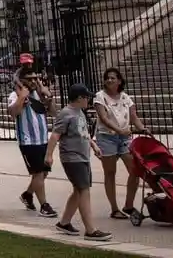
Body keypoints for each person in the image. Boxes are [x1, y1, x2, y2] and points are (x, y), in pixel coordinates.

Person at [46, 84, 112, 241]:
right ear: (80, 98)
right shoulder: (66, 114)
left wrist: (94, 145)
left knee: (78, 190)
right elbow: (55, 135)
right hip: (72, 157)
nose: (88, 100)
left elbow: (84, 133)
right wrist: (49, 155)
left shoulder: (79, 113)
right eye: (87, 97)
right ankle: (90, 230)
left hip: (83, 156)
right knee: (84, 190)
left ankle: (64, 223)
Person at [94, 68, 150, 219]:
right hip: (106, 137)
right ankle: (114, 208)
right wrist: (119, 130)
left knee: (135, 170)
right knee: (110, 172)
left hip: (124, 138)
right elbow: (104, 119)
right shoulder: (100, 97)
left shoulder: (126, 98)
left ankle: (129, 205)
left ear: (119, 81)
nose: (110, 80)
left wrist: (142, 128)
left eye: (113, 78)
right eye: (107, 78)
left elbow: (133, 116)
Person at [7, 64, 57, 217]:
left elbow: (54, 112)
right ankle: (44, 205)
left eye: (36, 78)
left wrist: (48, 95)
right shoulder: (15, 95)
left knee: (43, 173)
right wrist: (22, 97)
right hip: (28, 141)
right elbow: (13, 113)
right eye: (30, 79)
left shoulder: (39, 94)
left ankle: (28, 195)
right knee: (39, 173)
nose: (34, 81)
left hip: (43, 139)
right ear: (22, 81)